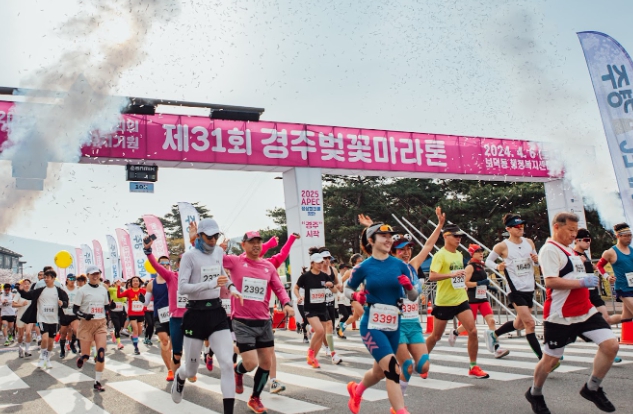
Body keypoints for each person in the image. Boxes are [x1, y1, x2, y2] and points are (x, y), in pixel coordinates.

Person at [526, 212, 619, 414]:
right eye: (570, 230)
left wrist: (589, 284)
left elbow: (577, 275)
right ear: (557, 227)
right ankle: (535, 393)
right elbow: (550, 281)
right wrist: (581, 282)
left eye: (576, 230)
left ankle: (592, 388)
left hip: (585, 310)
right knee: (550, 361)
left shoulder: (570, 250)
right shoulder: (549, 250)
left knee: (611, 345)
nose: (574, 234)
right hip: (561, 315)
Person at [345, 223, 419, 414]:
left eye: (389, 236)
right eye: (383, 236)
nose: (388, 240)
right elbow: (347, 288)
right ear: (371, 240)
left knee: (379, 373)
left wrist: (409, 287)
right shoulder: (363, 267)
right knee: (393, 369)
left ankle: (356, 390)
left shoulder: (400, 265)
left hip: (393, 326)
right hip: (372, 326)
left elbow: (413, 297)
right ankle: (400, 411)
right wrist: (356, 296)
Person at [170, 218, 242, 414]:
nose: (212, 240)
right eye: (209, 237)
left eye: (215, 236)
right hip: (195, 314)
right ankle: (180, 377)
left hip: (216, 313)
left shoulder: (218, 252)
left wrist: (232, 288)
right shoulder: (189, 257)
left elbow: (222, 275)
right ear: (200, 236)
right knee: (191, 369)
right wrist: (211, 284)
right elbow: (182, 288)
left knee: (227, 363)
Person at [227, 230, 294, 414]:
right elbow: (211, 260)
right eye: (252, 242)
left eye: (259, 241)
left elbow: (279, 287)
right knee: (251, 363)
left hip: (264, 321)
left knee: (266, 362)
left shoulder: (268, 266)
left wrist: (287, 303)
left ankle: (255, 398)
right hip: (242, 322)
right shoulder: (234, 261)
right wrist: (200, 242)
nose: (256, 245)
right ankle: (238, 371)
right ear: (243, 245)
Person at [425, 224, 489, 379]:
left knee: (473, 331)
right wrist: (451, 275)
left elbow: (460, 276)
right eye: (455, 236)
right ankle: (421, 361)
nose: (459, 239)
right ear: (445, 236)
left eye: (460, 236)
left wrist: (462, 285)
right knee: (436, 336)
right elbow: (432, 276)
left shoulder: (459, 255)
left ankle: (473, 366)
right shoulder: (440, 255)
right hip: (444, 301)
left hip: (460, 299)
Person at [485, 214, 542, 361]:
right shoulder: (502, 246)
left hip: (529, 287)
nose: (520, 228)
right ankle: (544, 359)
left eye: (522, 226)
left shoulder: (529, 242)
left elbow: (536, 262)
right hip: (515, 289)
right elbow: (488, 261)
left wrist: (536, 260)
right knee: (530, 323)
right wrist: (498, 266)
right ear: (508, 229)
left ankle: (494, 334)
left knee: (519, 324)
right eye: (517, 227)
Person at [574, 229, 622, 363]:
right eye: (586, 240)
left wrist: (607, 277)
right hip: (581, 293)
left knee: (605, 318)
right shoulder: (572, 255)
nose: (588, 243)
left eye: (590, 240)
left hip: (593, 293)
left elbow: (596, 267)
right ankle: (558, 347)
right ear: (577, 240)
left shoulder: (584, 255)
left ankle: (610, 350)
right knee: (573, 325)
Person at [453, 244, 510, 358]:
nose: (481, 253)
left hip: (483, 298)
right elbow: (465, 282)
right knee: (469, 324)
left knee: (492, 321)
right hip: (472, 299)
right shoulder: (470, 267)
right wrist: (479, 283)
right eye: (478, 251)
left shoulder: (481, 265)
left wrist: (489, 287)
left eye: (481, 251)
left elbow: (483, 281)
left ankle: (497, 348)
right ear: (472, 254)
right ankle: (455, 332)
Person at [18, 269, 69, 370]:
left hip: (54, 320)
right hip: (42, 318)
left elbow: (66, 303)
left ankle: (47, 358)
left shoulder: (59, 291)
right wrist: (20, 290)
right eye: (44, 277)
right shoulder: (40, 290)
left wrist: (62, 303)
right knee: (44, 338)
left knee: (50, 342)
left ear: (53, 279)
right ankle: (42, 358)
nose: (45, 279)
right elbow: (28, 295)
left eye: (48, 277)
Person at [294, 253, 337, 368]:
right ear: (312, 263)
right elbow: (295, 288)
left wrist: (331, 285)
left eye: (321, 262)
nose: (320, 264)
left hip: (322, 308)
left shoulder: (324, 276)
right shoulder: (306, 276)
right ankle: (310, 352)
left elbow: (335, 290)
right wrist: (298, 296)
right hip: (310, 309)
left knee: (321, 334)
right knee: (319, 330)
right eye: (317, 263)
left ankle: (313, 358)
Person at [73, 265, 111, 392]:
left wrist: (111, 307)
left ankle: (97, 382)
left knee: (101, 352)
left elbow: (106, 306)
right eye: (93, 274)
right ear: (88, 276)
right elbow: (75, 309)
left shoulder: (103, 289)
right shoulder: (82, 290)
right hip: (86, 324)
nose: (95, 276)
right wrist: (84, 315)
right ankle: (82, 358)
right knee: (86, 354)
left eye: (97, 274)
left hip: (100, 323)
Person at [596, 223, 633, 330]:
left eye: (630, 235)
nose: (629, 238)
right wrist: (607, 277)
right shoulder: (610, 252)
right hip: (623, 288)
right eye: (626, 236)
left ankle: (600, 323)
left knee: (626, 317)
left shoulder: (632, 250)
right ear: (618, 236)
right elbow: (599, 266)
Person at [143, 265, 174, 381]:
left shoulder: (174, 279)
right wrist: (141, 299)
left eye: (166, 263)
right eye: (162, 263)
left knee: (174, 344)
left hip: (174, 315)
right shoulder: (151, 284)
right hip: (159, 316)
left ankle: (175, 364)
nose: (164, 266)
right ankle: (170, 370)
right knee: (164, 341)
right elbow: (146, 303)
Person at [318, 247, 343, 364]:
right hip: (319, 302)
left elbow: (337, 283)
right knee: (327, 325)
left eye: (329, 258)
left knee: (330, 326)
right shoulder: (316, 271)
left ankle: (326, 344)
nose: (327, 260)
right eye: (325, 258)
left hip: (330, 300)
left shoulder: (333, 270)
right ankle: (330, 349)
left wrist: (337, 287)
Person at [116, 276, 146, 355]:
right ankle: (136, 348)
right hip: (132, 314)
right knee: (135, 329)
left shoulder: (143, 291)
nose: (135, 282)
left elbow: (149, 298)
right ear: (131, 283)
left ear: (139, 282)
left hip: (141, 313)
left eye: (137, 281)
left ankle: (133, 337)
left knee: (139, 332)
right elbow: (119, 296)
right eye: (134, 281)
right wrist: (118, 286)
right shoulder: (128, 291)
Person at [337, 253, 365, 338]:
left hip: (363, 296)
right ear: (354, 263)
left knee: (355, 317)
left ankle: (341, 328)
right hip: (353, 296)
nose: (361, 263)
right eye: (359, 261)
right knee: (363, 314)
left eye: (362, 261)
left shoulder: (364, 271)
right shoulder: (350, 272)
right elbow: (340, 281)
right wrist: (341, 290)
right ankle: (368, 335)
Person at [59, 274, 79, 358]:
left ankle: (72, 344)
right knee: (63, 334)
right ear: (67, 280)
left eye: (74, 279)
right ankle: (62, 350)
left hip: (74, 314)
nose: (72, 280)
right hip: (64, 314)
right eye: (70, 279)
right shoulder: (62, 289)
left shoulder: (78, 289)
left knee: (76, 330)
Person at [12, 279, 33, 358]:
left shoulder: (32, 294)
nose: (27, 285)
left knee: (28, 333)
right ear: (22, 285)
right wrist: (21, 304)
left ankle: (27, 350)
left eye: (28, 284)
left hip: (29, 317)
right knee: (20, 335)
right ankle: (20, 348)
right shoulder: (19, 294)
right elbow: (13, 304)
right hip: (20, 317)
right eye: (25, 284)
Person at [108, 279, 127, 350]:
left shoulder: (123, 290)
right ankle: (119, 343)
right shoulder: (112, 289)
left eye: (120, 282)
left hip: (121, 310)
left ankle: (113, 333)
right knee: (117, 326)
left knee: (121, 326)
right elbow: (106, 289)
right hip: (113, 310)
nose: (118, 283)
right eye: (117, 282)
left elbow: (124, 299)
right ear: (114, 283)